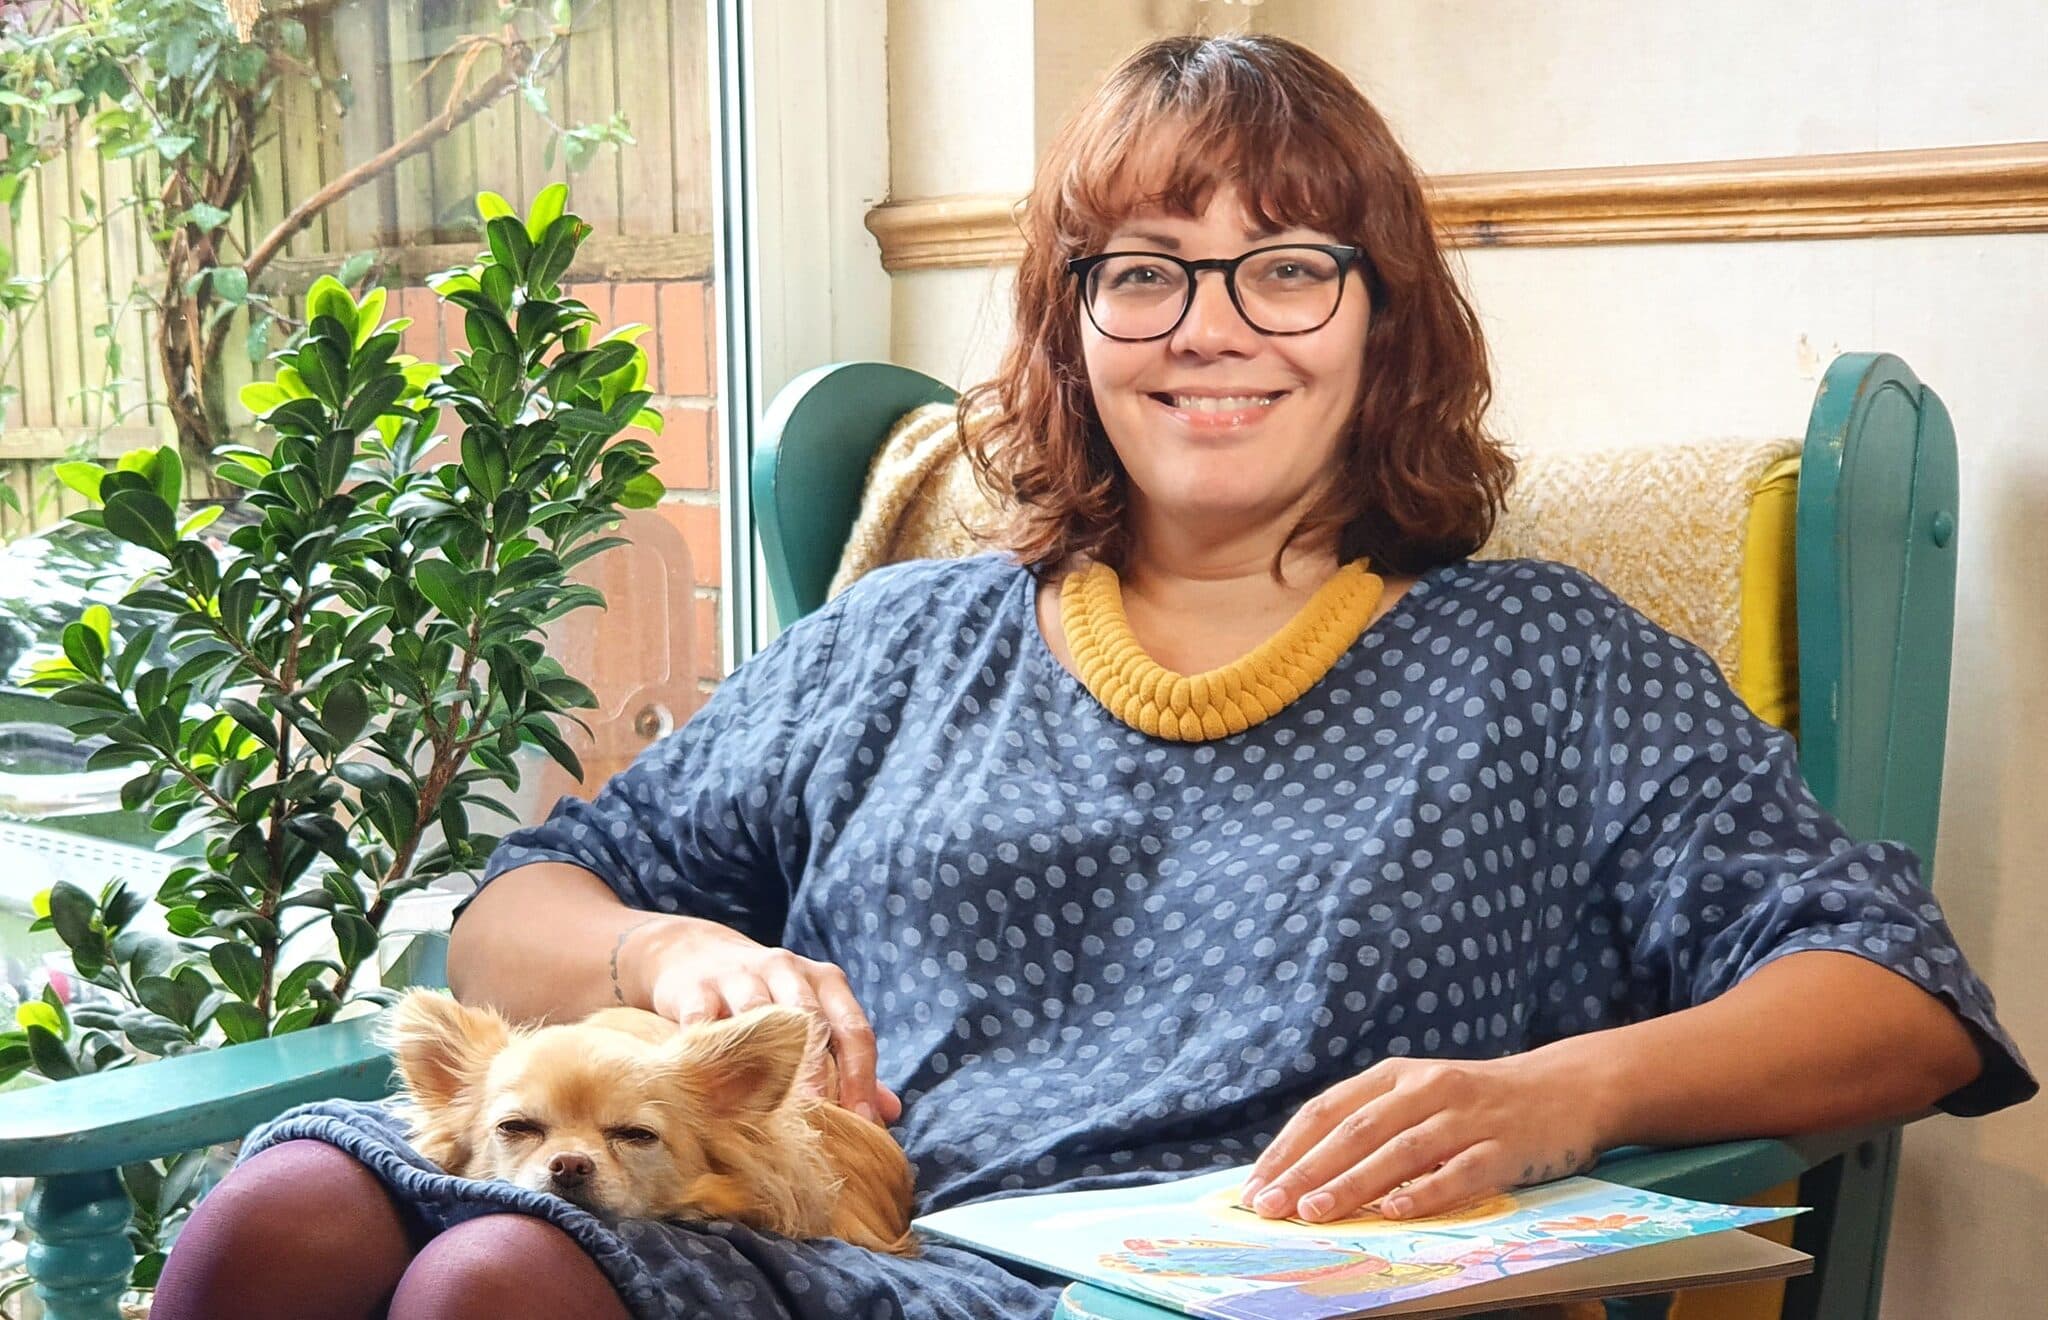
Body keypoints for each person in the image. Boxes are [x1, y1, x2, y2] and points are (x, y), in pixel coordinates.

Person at [152, 33, 2032, 1320]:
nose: (1211, 331)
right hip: (804, 1228)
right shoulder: (910, 639)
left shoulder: (1541, 664)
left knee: (493, 1281)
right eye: (1142, 274)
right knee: (282, 1217)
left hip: (1132, 1296)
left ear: (1386, 328)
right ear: (1073, 332)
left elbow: (1898, 998)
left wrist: (1566, 1093)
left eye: (1288, 269)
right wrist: (662, 954)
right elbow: (514, 914)